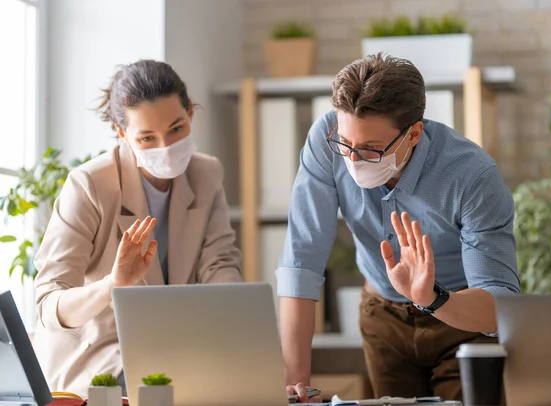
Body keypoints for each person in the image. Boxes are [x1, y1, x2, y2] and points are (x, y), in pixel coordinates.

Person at [279, 53, 520, 403]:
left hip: (462, 321)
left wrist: (432, 298)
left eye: (371, 150)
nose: (353, 160)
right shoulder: (326, 139)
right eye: (346, 145)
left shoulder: (472, 176)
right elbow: (302, 260)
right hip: (382, 317)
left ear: (414, 134)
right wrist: (296, 383)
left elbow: (500, 305)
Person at [33, 60, 242, 396]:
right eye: (146, 138)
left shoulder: (207, 174)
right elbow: (48, 305)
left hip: (182, 351)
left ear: (190, 111)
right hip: (103, 359)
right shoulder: (89, 184)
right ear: (122, 134)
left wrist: (238, 319)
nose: (165, 147)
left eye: (176, 129)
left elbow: (220, 263)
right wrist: (112, 285)